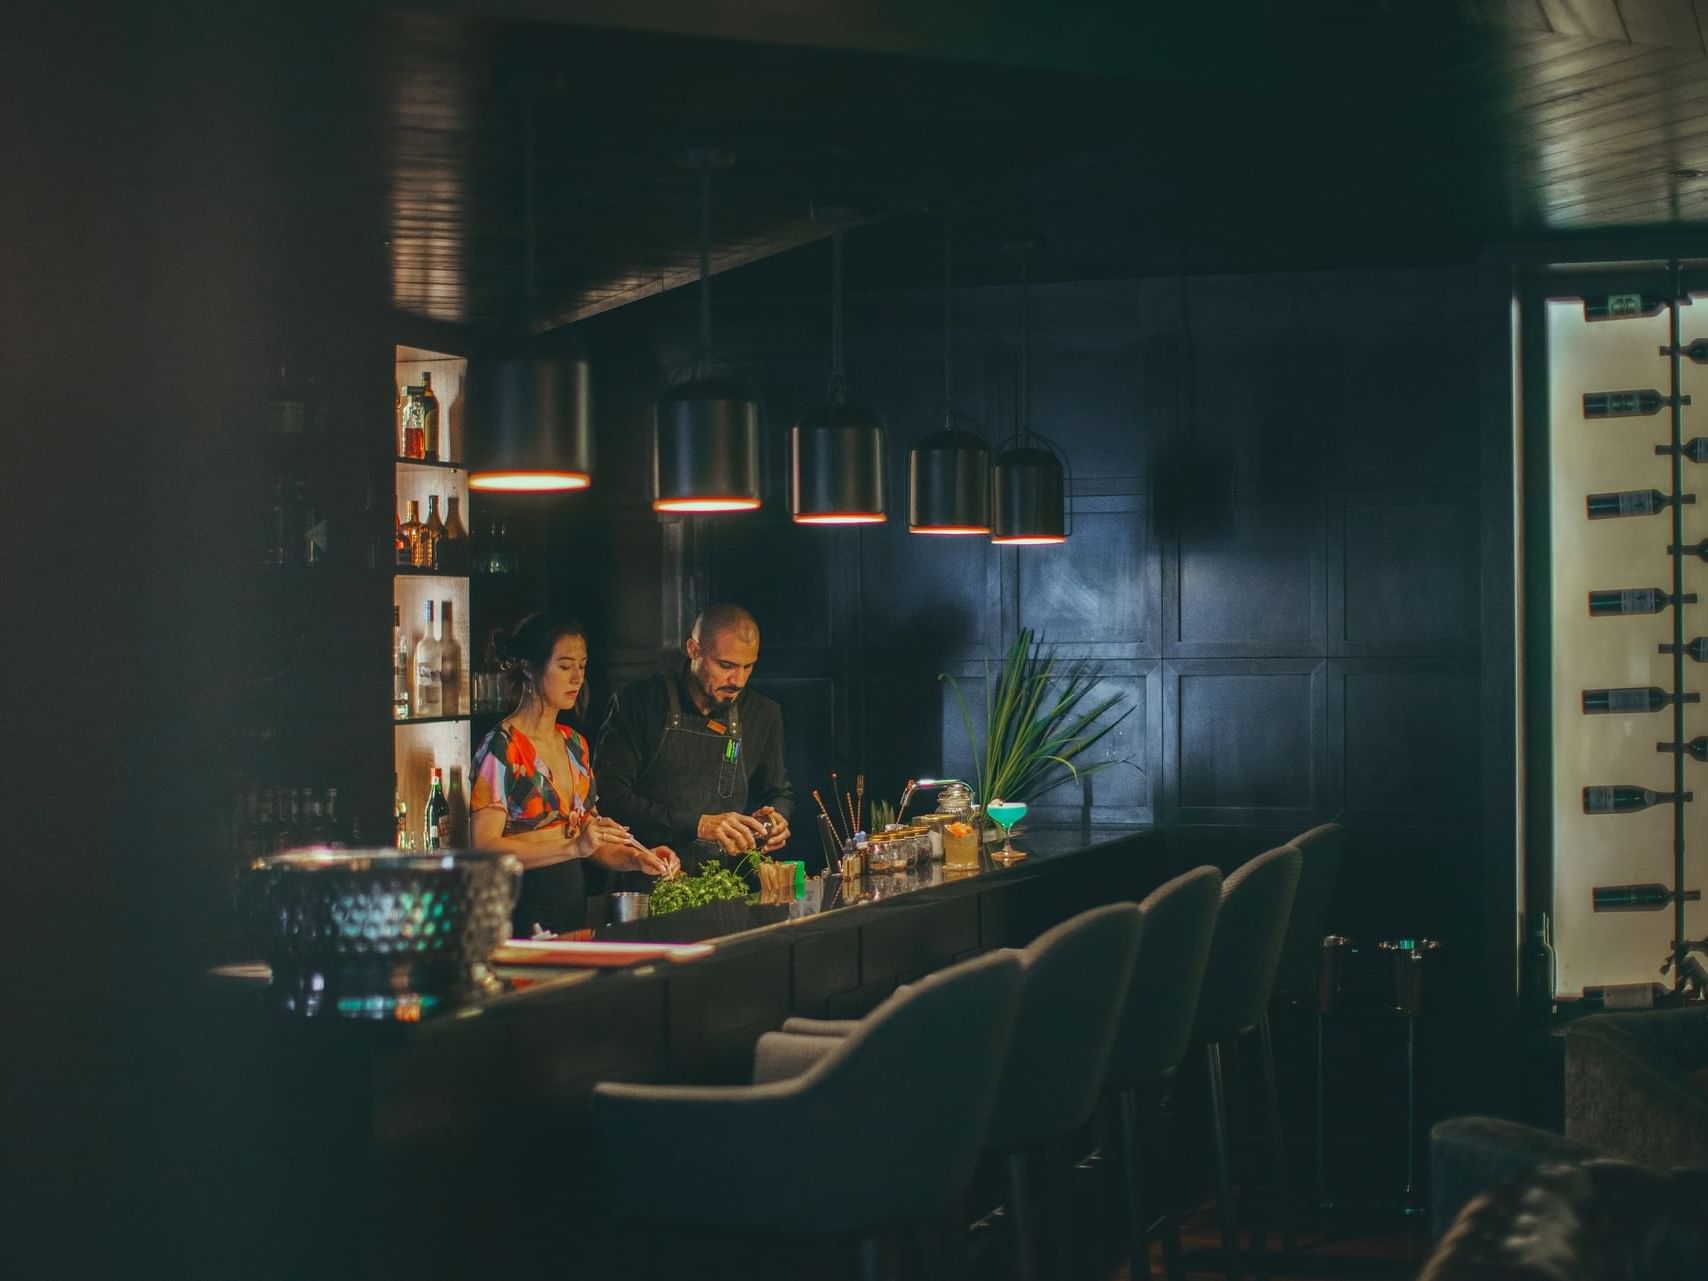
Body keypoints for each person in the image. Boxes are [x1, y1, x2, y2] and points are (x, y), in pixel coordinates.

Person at [471, 612, 678, 935]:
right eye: (565, 666)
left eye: (582, 666)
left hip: (571, 910)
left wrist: (638, 858)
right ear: (529, 667)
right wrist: (572, 847)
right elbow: (485, 848)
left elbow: (591, 841)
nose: (577, 677)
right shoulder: (503, 746)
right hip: (517, 913)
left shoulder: (574, 744)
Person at [594, 603, 793, 874]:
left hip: (728, 880)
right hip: (650, 873)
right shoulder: (639, 702)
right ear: (693, 649)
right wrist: (698, 824)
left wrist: (775, 819)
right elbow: (610, 798)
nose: (739, 680)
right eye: (726, 665)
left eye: (749, 667)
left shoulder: (763, 713)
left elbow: (778, 792)